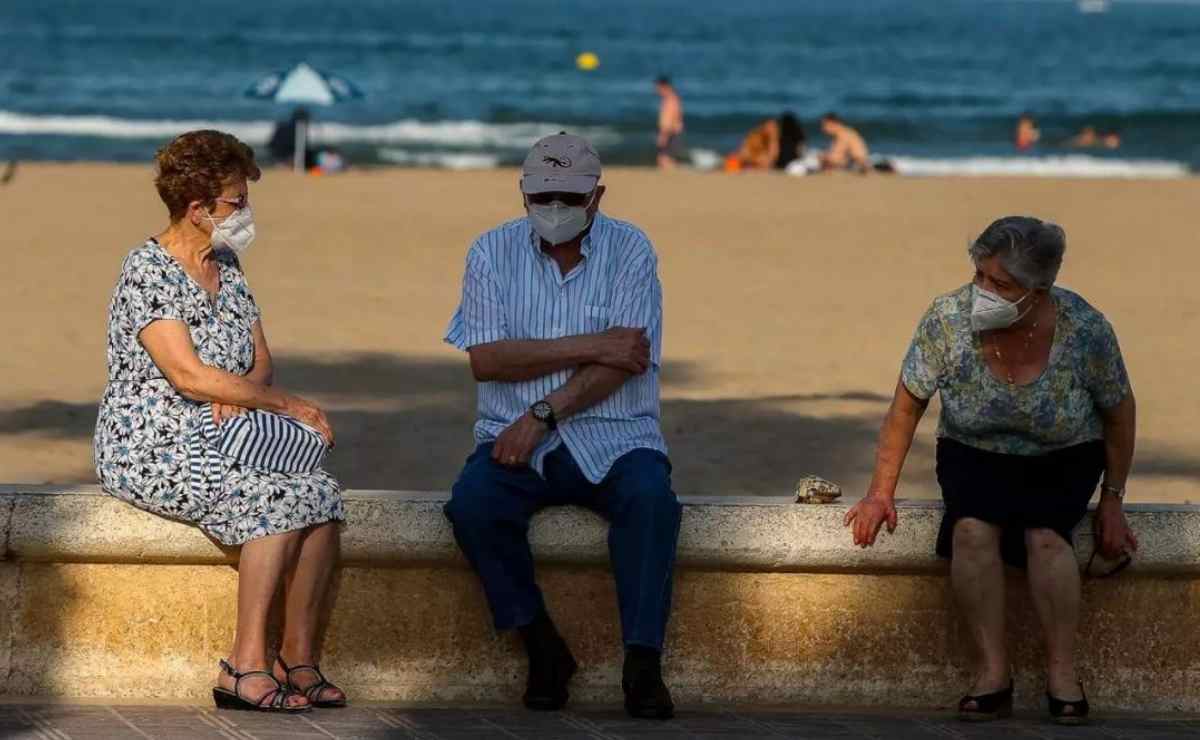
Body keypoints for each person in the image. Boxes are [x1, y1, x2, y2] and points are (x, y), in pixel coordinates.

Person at [844, 217, 1138, 725]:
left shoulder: (1086, 328)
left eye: (999, 284)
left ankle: (1063, 673)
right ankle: (992, 676)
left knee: (1047, 537)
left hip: (1063, 453)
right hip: (973, 451)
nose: (983, 291)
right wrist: (879, 492)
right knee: (973, 530)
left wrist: (1112, 498)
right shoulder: (946, 318)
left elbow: (1119, 412)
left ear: (1038, 288)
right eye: (980, 275)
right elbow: (905, 408)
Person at [93, 130, 347, 713]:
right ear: (197, 209)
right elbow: (186, 375)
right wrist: (287, 404)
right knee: (274, 497)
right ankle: (243, 666)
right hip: (152, 440)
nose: (246, 212)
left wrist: (248, 392)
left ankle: (297, 658)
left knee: (322, 493)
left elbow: (260, 358)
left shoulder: (227, 264)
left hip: (221, 429)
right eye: (236, 201)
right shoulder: (147, 270)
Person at [443, 133, 681, 720]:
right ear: (522, 193)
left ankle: (643, 662)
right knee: (472, 507)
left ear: (597, 197)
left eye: (568, 198)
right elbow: (487, 360)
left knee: (653, 503)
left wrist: (542, 412)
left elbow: (627, 363)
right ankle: (542, 646)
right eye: (541, 195)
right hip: (511, 439)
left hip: (616, 434)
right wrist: (592, 344)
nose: (553, 208)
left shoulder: (632, 250)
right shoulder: (489, 252)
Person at [655, 76, 684, 169]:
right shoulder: (671, 98)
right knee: (667, 160)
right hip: (672, 132)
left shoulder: (671, 99)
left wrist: (664, 135)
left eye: (658, 87)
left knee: (665, 161)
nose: (657, 90)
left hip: (670, 133)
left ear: (664, 86)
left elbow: (671, 119)